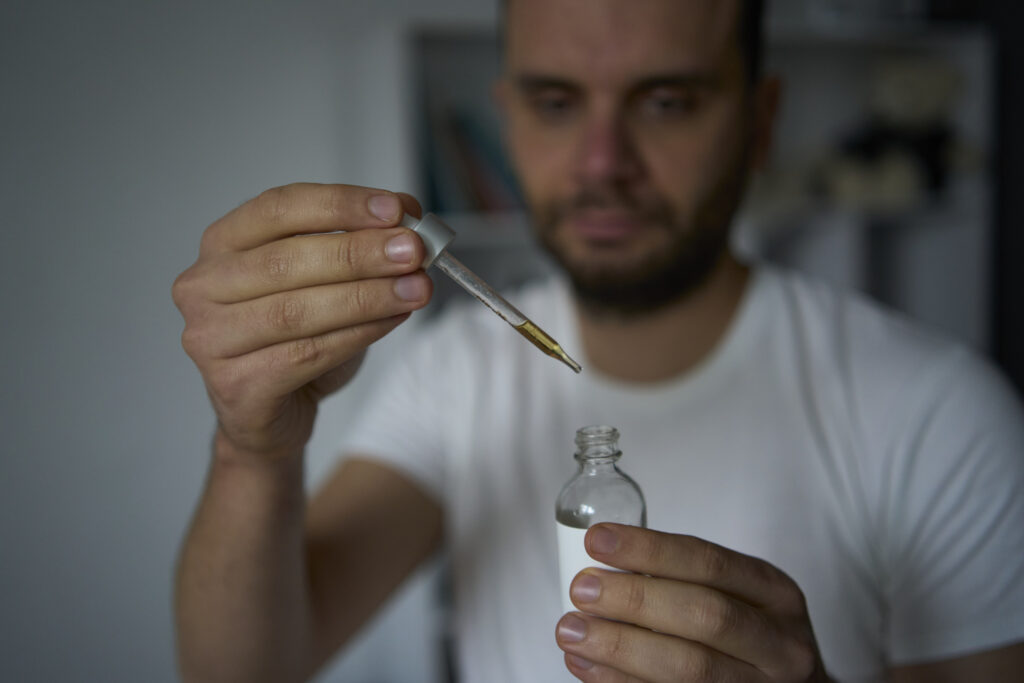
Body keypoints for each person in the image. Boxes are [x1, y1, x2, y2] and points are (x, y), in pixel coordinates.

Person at [171, 0, 1024, 681]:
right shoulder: (451, 373)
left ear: (761, 120)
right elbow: (242, 670)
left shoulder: (943, 413)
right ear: (507, 119)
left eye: (666, 101)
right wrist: (251, 449)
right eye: (555, 101)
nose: (600, 161)